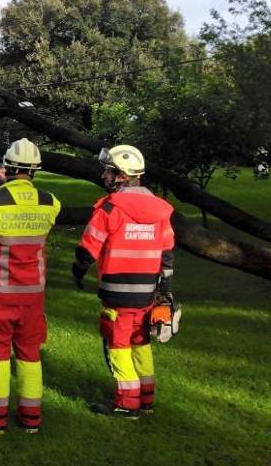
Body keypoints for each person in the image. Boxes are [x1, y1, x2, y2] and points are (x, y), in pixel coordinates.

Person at [0, 138, 61, 435]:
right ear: (34, 171)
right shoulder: (50, 202)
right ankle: (31, 419)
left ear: (7, 167)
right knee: (30, 355)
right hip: (33, 296)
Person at [70, 145, 175, 419]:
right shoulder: (161, 210)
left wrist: (77, 273)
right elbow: (167, 254)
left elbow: (87, 251)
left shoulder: (109, 209)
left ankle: (127, 404)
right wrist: (165, 289)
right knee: (141, 341)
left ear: (120, 176)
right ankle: (147, 398)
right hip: (147, 293)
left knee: (118, 344)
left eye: (108, 171)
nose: (104, 176)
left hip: (116, 293)